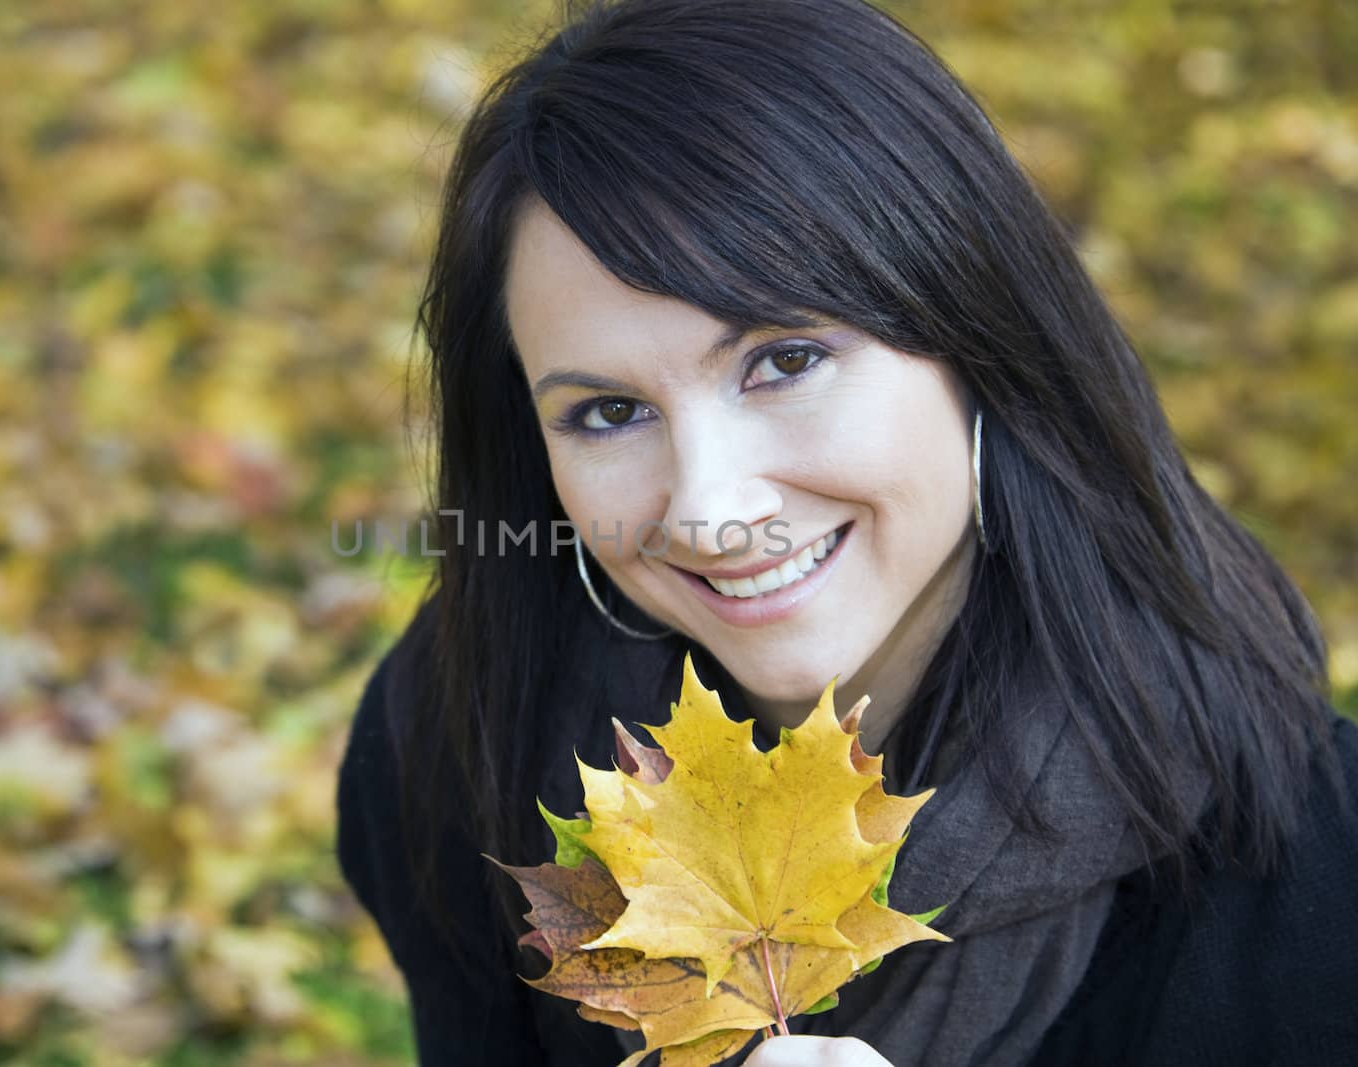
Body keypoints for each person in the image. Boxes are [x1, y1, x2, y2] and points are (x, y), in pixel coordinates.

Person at [335, 1, 1358, 1064]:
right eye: (608, 411)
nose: (709, 508)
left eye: (783, 360)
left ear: (979, 337)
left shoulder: (1310, 893)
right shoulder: (459, 736)